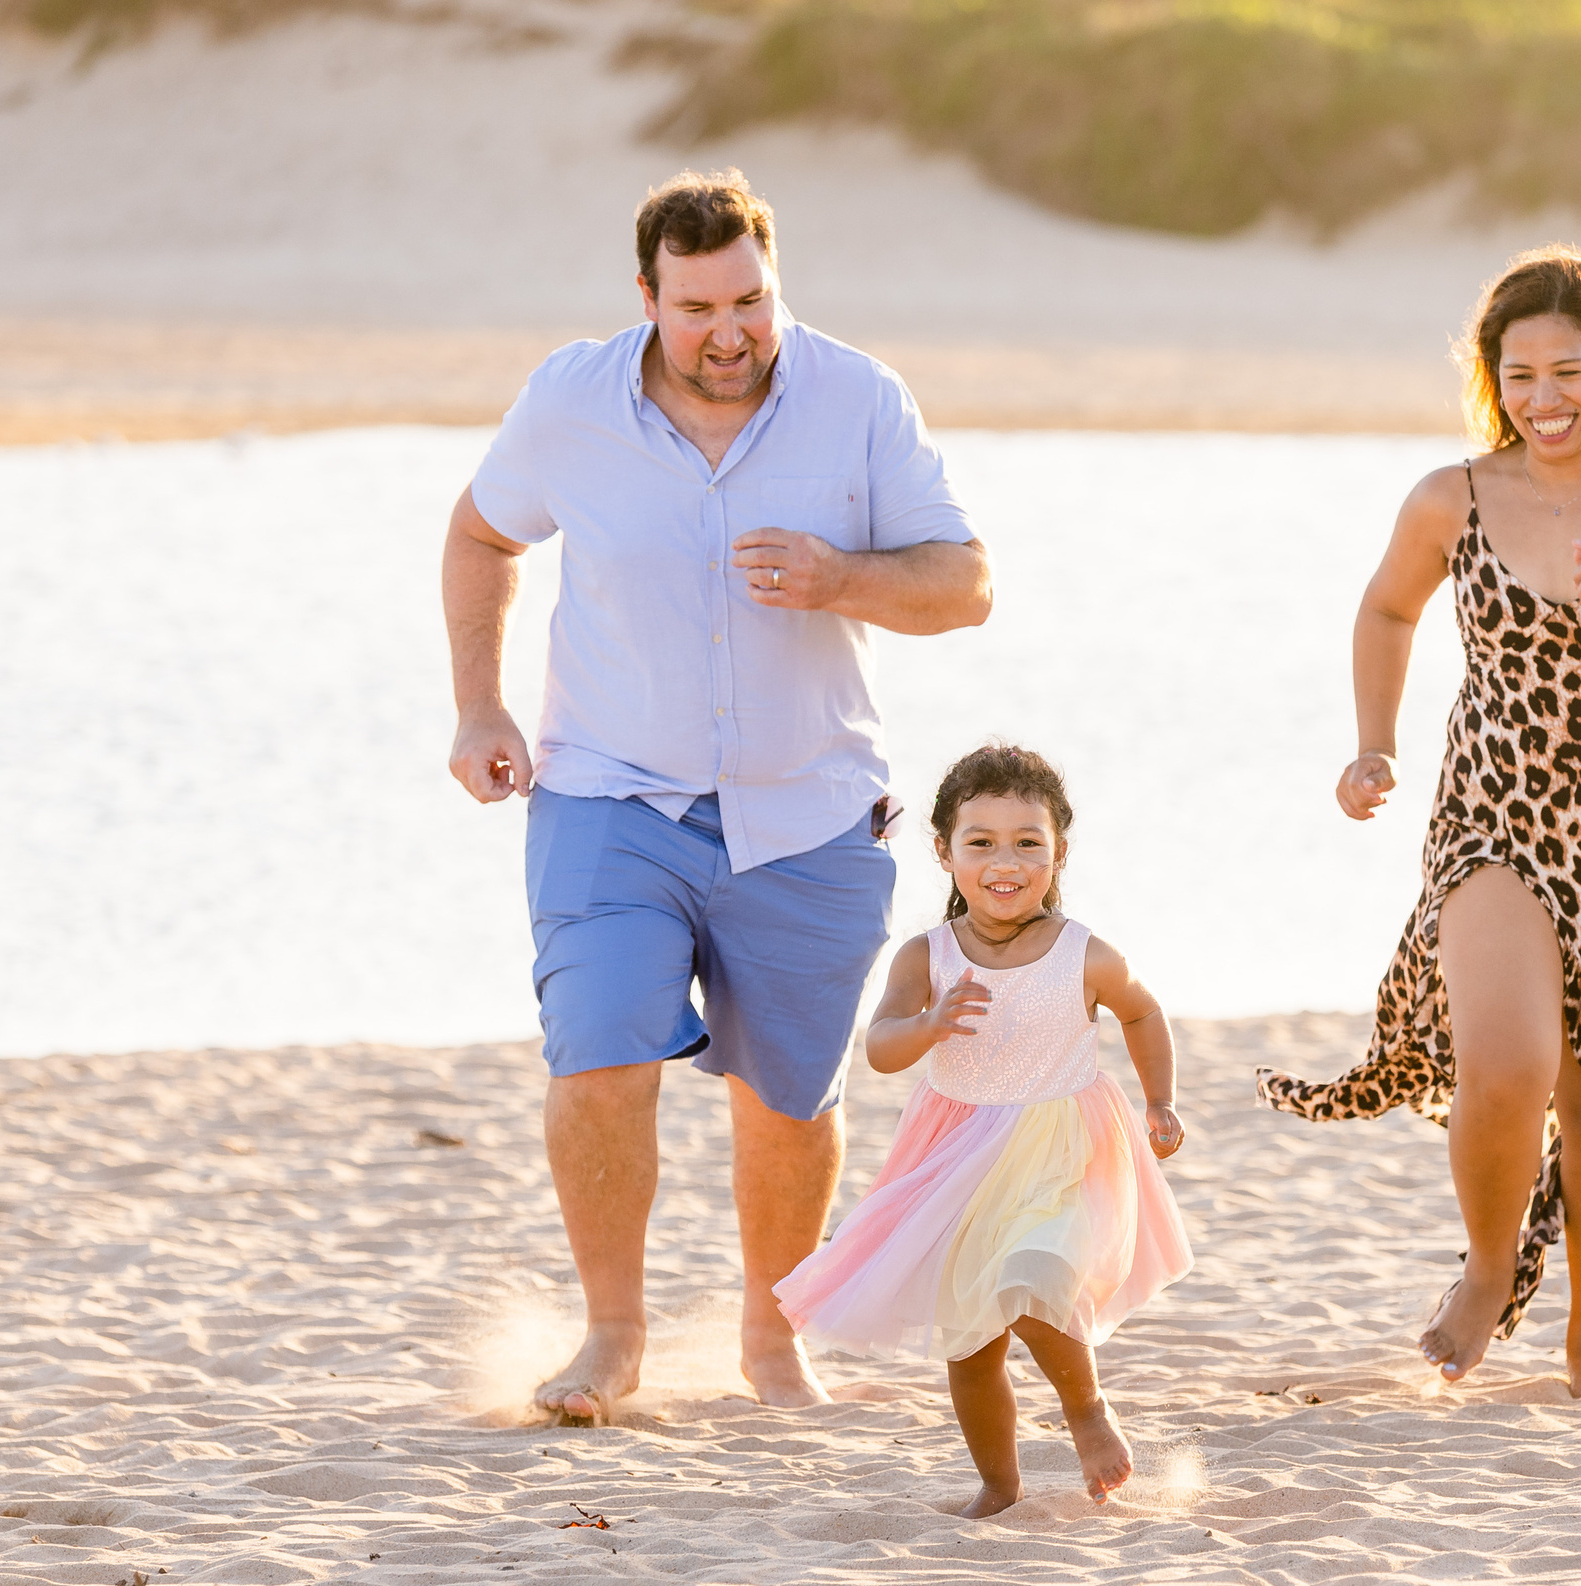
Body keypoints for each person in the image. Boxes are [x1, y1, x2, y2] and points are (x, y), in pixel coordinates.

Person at [440, 170, 993, 1421]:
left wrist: (839, 575)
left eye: (750, 298)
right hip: (607, 800)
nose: (729, 331)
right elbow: (482, 536)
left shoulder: (856, 398)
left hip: (808, 812)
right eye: (697, 308)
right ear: (647, 299)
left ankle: (770, 1327)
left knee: (789, 1099)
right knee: (598, 1056)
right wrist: (480, 707)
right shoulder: (570, 401)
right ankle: (613, 1337)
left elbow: (964, 585)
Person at [1258, 245, 1581, 1398]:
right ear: (1492, 380)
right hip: (1493, 812)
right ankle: (1488, 1267)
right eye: (1519, 375)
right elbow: (1385, 609)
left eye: (1568, 371)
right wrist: (1371, 742)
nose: (1545, 399)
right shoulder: (1452, 497)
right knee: (1508, 1061)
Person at [774, 746, 1193, 1516]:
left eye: (1028, 841)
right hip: (957, 1160)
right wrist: (928, 1024)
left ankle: (1087, 1408)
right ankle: (999, 1484)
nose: (1007, 860)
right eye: (981, 841)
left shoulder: (1082, 953)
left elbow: (1142, 1009)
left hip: (1063, 1147)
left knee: (1032, 1276)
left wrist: (1159, 1099)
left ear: (1058, 852)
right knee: (971, 1345)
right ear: (944, 851)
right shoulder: (926, 955)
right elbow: (880, 1046)